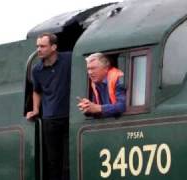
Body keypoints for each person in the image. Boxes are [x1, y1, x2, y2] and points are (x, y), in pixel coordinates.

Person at [26, 33, 71, 180]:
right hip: (50, 119)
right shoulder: (36, 70)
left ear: (54, 47)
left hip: (69, 116)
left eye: (42, 46)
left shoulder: (69, 59)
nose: (38, 49)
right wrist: (36, 109)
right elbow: (37, 91)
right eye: (37, 46)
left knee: (68, 159)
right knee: (53, 161)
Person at [77, 52, 126, 117]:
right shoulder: (95, 83)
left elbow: (123, 106)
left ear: (106, 68)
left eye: (93, 68)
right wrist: (88, 107)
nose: (90, 72)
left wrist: (98, 108)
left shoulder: (118, 78)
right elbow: (96, 108)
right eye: (88, 69)